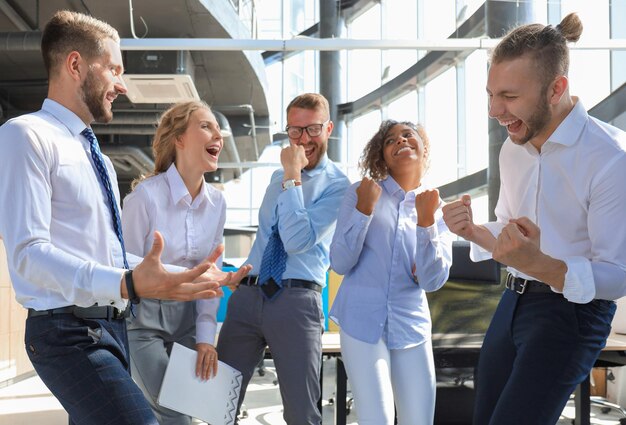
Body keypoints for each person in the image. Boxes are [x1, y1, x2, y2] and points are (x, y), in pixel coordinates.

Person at [0, 11, 228, 425]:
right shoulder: (25, 135)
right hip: (65, 333)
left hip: (113, 329)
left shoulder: (99, 160)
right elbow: (28, 255)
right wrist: (126, 282)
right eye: (114, 69)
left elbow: (110, 256)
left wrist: (186, 277)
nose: (121, 85)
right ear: (75, 65)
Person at [442, 13, 626, 425]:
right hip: (512, 302)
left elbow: (618, 275)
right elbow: (509, 233)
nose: (494, 110)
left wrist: (543, 265)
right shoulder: (513, 150)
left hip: (573, 315)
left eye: (508, 96)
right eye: (490, 94)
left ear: (556, 88)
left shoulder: (612, 159)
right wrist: (472, 230)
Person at [217, 93, 351, 425]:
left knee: (302, 414)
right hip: (248, 296)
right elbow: (265, 239)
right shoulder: (275, 180)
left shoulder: (338, 186)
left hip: (295, 301)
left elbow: (296, 240)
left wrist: (292, 173)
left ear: (329, 128)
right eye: (295, 130)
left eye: (313, 129)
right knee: (217, 404)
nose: (304, 139)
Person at [121, 101, 251, 424]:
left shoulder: (217, 203)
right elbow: (122, 265)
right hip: (143, 318)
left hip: (189, 319)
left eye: (218, 131)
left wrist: (206, 337)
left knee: (191, 412)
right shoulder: (144, 198)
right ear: (179, 138)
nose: (217, 136)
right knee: (174, 411)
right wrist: (205, 278)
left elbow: (207, 274)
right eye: (206, 126)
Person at [329, 120, 453, 425]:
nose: (401, 140)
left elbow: (432, 280)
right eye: (390, 140)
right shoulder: (361, 192)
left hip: (411, 324)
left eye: (408, 135)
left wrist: (425, 223)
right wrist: (364, 210)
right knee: (377, 420)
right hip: (361, 322)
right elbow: (340, 262)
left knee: (419, 420)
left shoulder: (436, 208)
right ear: (381, 156)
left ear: (423, 147)